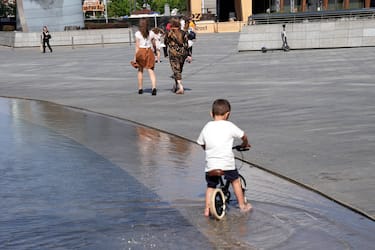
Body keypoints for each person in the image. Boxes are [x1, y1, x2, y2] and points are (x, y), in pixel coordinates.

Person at [197, 99, 252, 217]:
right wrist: (245, 144)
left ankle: (207, 210)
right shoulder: (229, 126)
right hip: (227, 164)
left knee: (211, 186)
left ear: (211, 114)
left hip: (211, 165)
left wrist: (207, 149)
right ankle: (242, 206)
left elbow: (201, 143)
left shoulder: (207, 126)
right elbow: (243, 135)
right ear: (228, 114)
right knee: (235, 181)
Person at [164, 17, 192, 94]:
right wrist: (189, 55)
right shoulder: (183, 33)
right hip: (183, 53)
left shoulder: (169, 33)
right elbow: (187, 44)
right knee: (179, 70)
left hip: (173, 53)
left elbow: (165, 43)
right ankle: (176, 85)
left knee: (176, 70)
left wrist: (165, 53)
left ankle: (180, 87)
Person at [134, 18, 157, 95]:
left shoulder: (138, 33)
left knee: (140, 70)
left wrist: (135, 57)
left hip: (141, 51)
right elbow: (154, 44)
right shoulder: (151, 33)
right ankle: (154, 88)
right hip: (149, 51)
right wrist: (155, 53)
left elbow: (137, 46)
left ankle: (140, 88)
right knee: (151, 70)